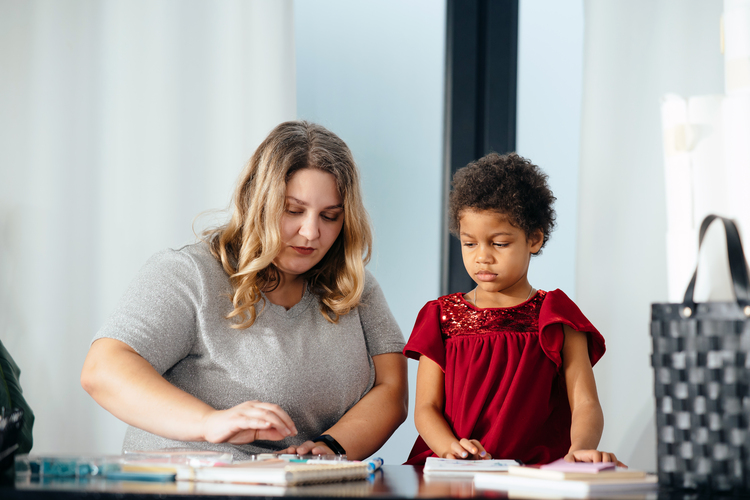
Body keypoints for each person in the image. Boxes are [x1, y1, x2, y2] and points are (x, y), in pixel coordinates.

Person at [81, 121, 408, 460]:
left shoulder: (355, 287)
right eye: (293, 210)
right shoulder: (190, 274)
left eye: (329, 216)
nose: (311, 232)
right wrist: (209, 423)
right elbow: (103, 370)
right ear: (257, 200)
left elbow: (392, 390)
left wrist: (331, 447)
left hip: (299, 487)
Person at [403, 152, 622, 466]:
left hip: (535, 475)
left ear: (533, 239)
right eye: (470, 243)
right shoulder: (440, 316)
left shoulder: (557, 315)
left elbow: (585, 402)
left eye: (499, 243)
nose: (482, 257)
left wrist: (579, 450)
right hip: (454, 471)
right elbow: (426, 408)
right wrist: (450, 447)